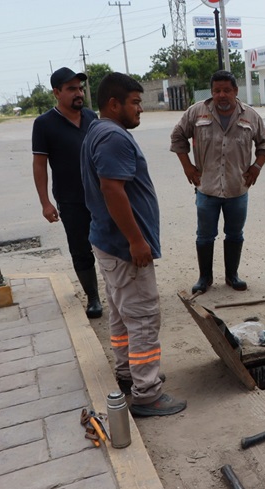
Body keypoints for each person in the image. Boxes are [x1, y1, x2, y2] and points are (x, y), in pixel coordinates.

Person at [81, 72, 186, 417]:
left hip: (109, 242)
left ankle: (129, 373)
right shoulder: (113, 137)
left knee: (121, 313)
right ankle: (147, 392)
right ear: (114, 104)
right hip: (124, 247)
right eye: (135, 102)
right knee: (142, 317)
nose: (141, 108)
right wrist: (136, 240)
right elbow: (112, 190)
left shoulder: (97, 130)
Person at [170, 70, 265, 294]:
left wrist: (256, 167)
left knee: (235, 234)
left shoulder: (250, 116)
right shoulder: (196, 112)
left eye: (227, 90)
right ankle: (204, 278)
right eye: (217, 91)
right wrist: (187, 166)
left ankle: (232, 276)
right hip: (206, 189)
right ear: (212, 92)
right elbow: (177, 136)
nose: (221, 95)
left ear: (235, 91)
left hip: (237, 189)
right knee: (204, 235)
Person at [32, 67, 102, 319]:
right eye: (71, 89)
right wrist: (45, 203)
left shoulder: (91, 117)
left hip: (101, 196)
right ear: (56, 92)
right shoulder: (44, 124)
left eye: (80, 88)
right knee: (81, 249)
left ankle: (119, 290)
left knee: (112, 243)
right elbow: (39, 165)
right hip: (71, 200)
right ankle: (93, 297)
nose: (78, 93)